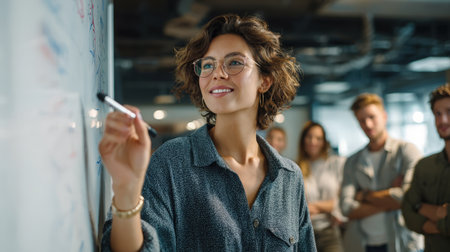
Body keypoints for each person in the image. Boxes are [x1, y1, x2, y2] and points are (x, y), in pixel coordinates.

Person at [99, 14, 316, 251]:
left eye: (234, 62)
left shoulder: (289, 177)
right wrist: (127, 191)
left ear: (265, 80)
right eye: (208, 64)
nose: (217, 73)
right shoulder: (172, 162)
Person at [340, 93, 423, 252]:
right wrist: (391, 199)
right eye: (362, 120)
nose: (368, 124)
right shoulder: (352, 162)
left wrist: (365, 196)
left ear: (384, 116)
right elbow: (346, 207)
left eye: (372, 117)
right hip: (363, 245)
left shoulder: (406, 151)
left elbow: (409, 197)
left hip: (402, 242)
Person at [401, 83, 450, 251]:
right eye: (438, 114)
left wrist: (423, 209)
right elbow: (407, 211)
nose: (443, 120)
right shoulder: (425, 166)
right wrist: (439, 215)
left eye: (449, 112)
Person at [297, 121, 346, 252]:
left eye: (318, 138)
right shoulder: (295, 168)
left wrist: (314, 207)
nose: (313, 142)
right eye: (309, 137)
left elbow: (343, 201)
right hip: (303, 233)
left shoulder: (336, 163)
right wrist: (326, 207)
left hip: (330, 231)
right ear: (303, 140)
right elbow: (297, 208)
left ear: (324, 142)